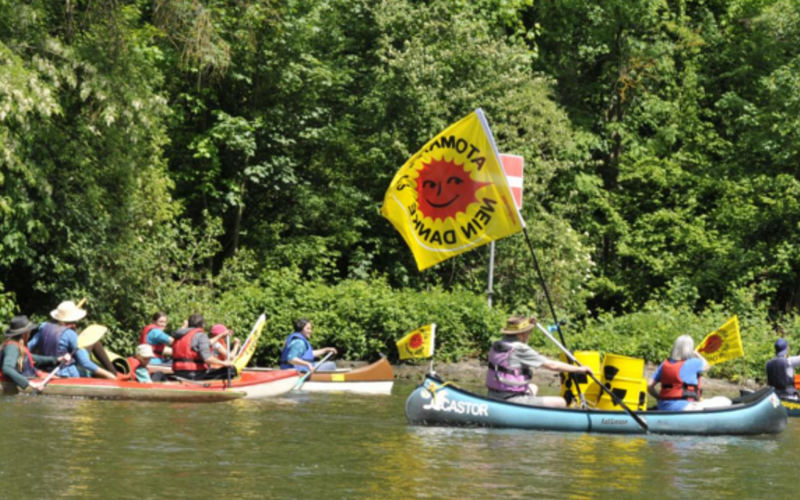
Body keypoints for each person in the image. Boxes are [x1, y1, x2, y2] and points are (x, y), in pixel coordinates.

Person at [485, 315, 593, 408]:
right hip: (511, 399)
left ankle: (528, 411)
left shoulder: (497, 344)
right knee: (562, 402)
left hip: (493, 395)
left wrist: (530, 323)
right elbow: (553, 365)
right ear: (522, 334)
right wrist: (580, 369)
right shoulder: (520, 349)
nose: (529, 335)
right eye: (528, 332)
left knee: (533, 387)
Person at [28, 301, 116, 380]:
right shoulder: (70, 334)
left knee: (91, 344)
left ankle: (114, 373)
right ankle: (114, 373)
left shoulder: (44, 327)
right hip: (65, 374)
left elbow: (28, 347)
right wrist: (108, 375)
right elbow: (84, 362)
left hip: (44, 370)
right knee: (93, 348)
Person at [647, 335, 731, 411]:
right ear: (689, 349)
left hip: (663, 407)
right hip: (684, 407)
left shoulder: (665, 364)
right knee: (725, 400)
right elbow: (707, 365)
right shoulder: (693, 362)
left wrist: (659, 397)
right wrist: (696, 353)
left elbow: (649, 385)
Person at [0, 316, 71, 392]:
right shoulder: (12, 347)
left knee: (58, 378)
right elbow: (7, 368)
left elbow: (31, 358)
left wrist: (57, 359)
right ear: (25, 333)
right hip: (22, 381)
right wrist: (30, 384)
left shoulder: (19, 345)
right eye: (29, 331)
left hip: (32, 376)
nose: (30, 333)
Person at [171, 314, 235, 380]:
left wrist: (222, 334)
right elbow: (207, 359)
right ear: (202, 325)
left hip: (178, 372)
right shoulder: (200, 335)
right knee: (232, 370)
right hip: (194, 373)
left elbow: (207, 343)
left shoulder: (180, 335)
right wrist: (224, 363)